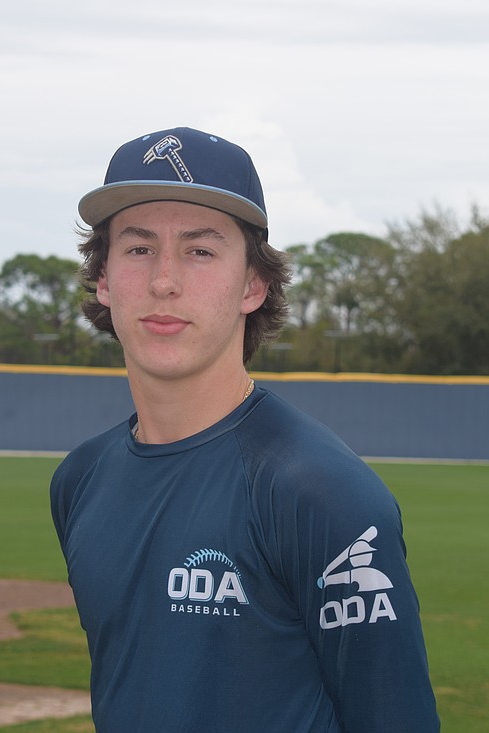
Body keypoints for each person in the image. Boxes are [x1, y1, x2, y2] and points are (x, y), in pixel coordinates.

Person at [50, 126, 439, 732]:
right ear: (103, 279)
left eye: (200, 251)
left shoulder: (319, 491)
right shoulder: (80, 480)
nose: (164, 281)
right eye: (137, 249)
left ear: (253, 285)